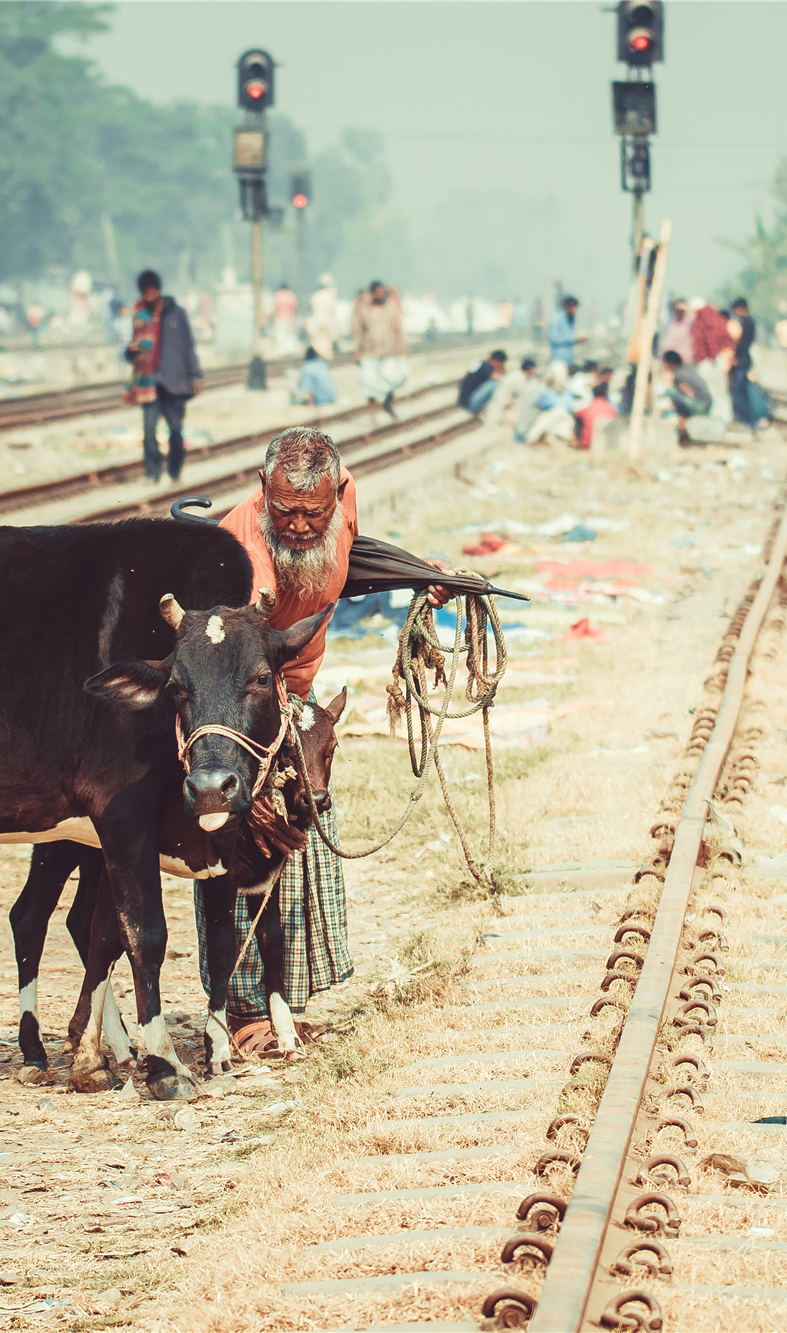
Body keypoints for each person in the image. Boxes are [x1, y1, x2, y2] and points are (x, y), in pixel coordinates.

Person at [207, 427, 450, 1048]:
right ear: (264, 490)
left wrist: (423, 576)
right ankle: (242, 1011)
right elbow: (226, 666)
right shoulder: (241, 554)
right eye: (284, 511)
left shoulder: (341, 507)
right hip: (246, 703)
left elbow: (351, 553)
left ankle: (286, 1000)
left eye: (314, 513)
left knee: (308, 829)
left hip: (298, 695)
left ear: (338, 494)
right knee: (248, 836)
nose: (300, 527)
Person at [123, 269, 202, 483]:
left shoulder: (176, 313)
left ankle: (175, 470)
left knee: (176, 431)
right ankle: (152, 473)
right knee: (149, 432)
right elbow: (135, 347)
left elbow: (188, 346)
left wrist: (195, 375)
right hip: (149, 383)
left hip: (175, 383)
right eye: (144, 293)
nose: (147, 297)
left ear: (157, 290)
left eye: (151, 292)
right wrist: (130, 351)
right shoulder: (140, 315)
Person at [351, 281, 407, 420]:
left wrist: (401, 346)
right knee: (369, 384)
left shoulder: (391, 309)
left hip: (388, 352)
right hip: (370, 353)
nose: (379, 295)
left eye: (381, 292)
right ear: (372, 294)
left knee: (393, 380)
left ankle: (388, 403)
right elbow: (361, 333)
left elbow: (398, 329)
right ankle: (372, 414)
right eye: (376, 292)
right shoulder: (365, 311)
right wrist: (358, 351)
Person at [727, 298, 767, 431]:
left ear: (740, 308)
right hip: (745, 359)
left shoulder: (747, 322)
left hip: (742, 360)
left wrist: (736, 357)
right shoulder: (748, 321)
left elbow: (744, 343)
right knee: (742, 390)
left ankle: (745, 420)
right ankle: (748, 419)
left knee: (739, 391)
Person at [659, 350, 712, 444]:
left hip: (699, 405)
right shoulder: (688, 368)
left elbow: (690, 393)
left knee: (671, 392)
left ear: (670, 363)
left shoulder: (679, 375)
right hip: (707, 404)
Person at [458, 348, 507, 415]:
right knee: (495, 384)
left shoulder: (482, 366)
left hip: (470, 401)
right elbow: (501, 378)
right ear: (495, 361)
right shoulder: (484, 366)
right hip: (469, 403)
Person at [576, 381, 619, 450]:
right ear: (605, 393)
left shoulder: (586, 409)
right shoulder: (611, 410)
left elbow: (576, 415)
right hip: (604, 445)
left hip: (586, 445)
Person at [547, 295, 584, 369]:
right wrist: (574, 339)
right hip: (558, 360)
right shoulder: (556, 318)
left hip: (568, 360)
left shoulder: (569, 318)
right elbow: (554, 338)